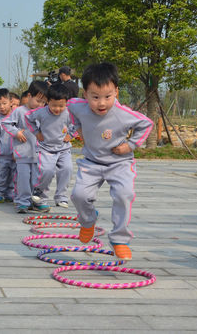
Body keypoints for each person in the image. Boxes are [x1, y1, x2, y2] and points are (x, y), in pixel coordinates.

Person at [67, 62, 153, 260]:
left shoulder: (124, 114)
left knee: (125, 194)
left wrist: (130, 145)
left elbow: (147, 124)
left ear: (116, 91)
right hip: (91, 162)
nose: (102, 103)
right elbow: (69, 107)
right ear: (85, 94)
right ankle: (88, 221)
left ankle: (120, 239)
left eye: (108, 96)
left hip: (119, 163)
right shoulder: (77, 106)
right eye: (95, 97)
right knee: (79, 195)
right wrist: (77, 127)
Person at [2, 81, 49, 213]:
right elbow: (6, 123)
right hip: (23, 152)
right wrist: (16, 132)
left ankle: (38, 201)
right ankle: (23, 201)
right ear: (29, 96)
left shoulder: (44, 112)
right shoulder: (19, 111)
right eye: (38, 101)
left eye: (43, 102)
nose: (40, 105)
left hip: (39, 153)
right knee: (22, 178)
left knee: (38, 179)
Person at [26, 83, 74, 209]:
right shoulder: (41, 112)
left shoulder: (69, 113)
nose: (57, 109)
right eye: (54, 105)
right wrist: (37, 132)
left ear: (66, 103)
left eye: (61, 106)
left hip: (63, 148)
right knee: (46, 171)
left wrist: (71, 134)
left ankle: (61, 197)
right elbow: (28, 119)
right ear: (47, 101)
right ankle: (39, 193)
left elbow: (78, 123)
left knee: (67, 169)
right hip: (46, 148)